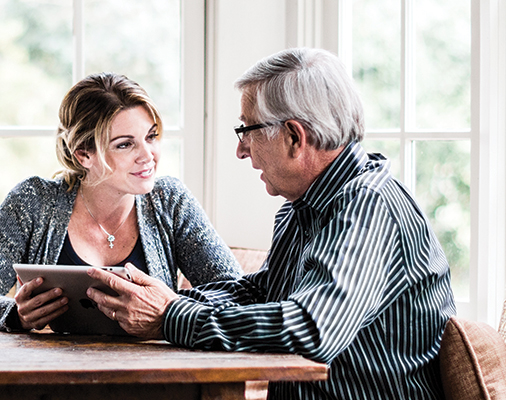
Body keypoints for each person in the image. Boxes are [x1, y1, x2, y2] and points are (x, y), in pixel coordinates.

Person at [86, 48, 456, 399]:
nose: (241, 149)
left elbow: (312, 327)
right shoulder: (303, 208)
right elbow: (262, 293)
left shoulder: (368, 206)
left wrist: (170, 316)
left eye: (247, 129)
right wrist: (151, 301)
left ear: (294, 137)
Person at [0, 72, 241, 332]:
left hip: (153, 376)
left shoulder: (170, 202)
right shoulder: (33, 202)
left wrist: (167, 307)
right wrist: (14, 314)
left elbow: (238, 294)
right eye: (125, 144)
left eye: (151, 137)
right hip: (49, 379)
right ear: (83, 154)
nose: (148, 155)